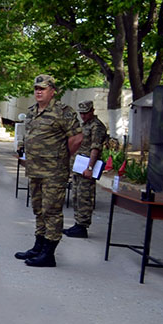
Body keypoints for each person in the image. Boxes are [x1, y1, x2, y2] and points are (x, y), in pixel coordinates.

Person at [14, 75, 83, 267]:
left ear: (52, 91)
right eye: (36, 88)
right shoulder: (31, 111)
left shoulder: (63, 112)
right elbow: (30, 136)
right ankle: (39, 246)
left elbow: (77, 137)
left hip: (54, 171)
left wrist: (61, 157)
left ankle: (49, 254)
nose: (38, 91)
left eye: (42, 89)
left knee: (52, 211)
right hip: (35, 169)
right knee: (38, 209)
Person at [64, 100, 108, 239]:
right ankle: (77, 224)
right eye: (81, 113)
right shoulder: (85, 125)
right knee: (76, 196)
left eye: (85, 113)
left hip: (87, 167)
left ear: (92, 111)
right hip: (78, 166)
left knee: (85, 197)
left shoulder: (97, 126)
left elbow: (95, 148)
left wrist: (90, 168)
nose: (83, 116)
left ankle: (82, 226)